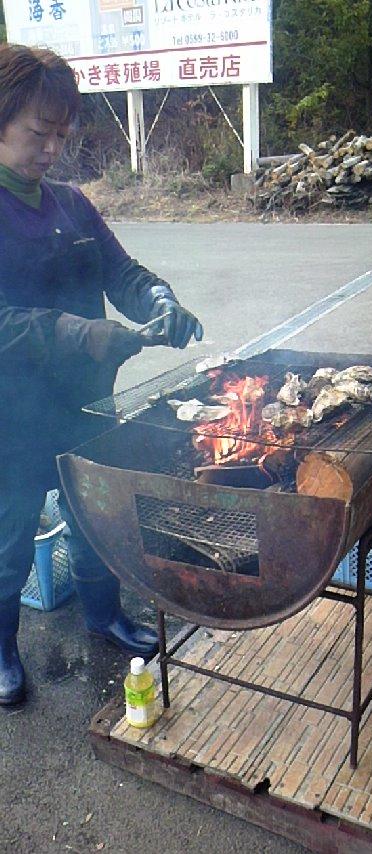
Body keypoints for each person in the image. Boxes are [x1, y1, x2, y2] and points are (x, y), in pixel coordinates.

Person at [0, 43, 203, 706]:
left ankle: (103, 615)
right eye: (39, 131)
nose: (52, 149)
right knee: (8, 539)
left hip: (85, 406)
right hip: (11, 418)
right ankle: (1, 650)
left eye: (62, 135)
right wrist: (80, 333)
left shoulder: (71, 205)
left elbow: (121, 272)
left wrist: (159, 300)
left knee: (95, 517)